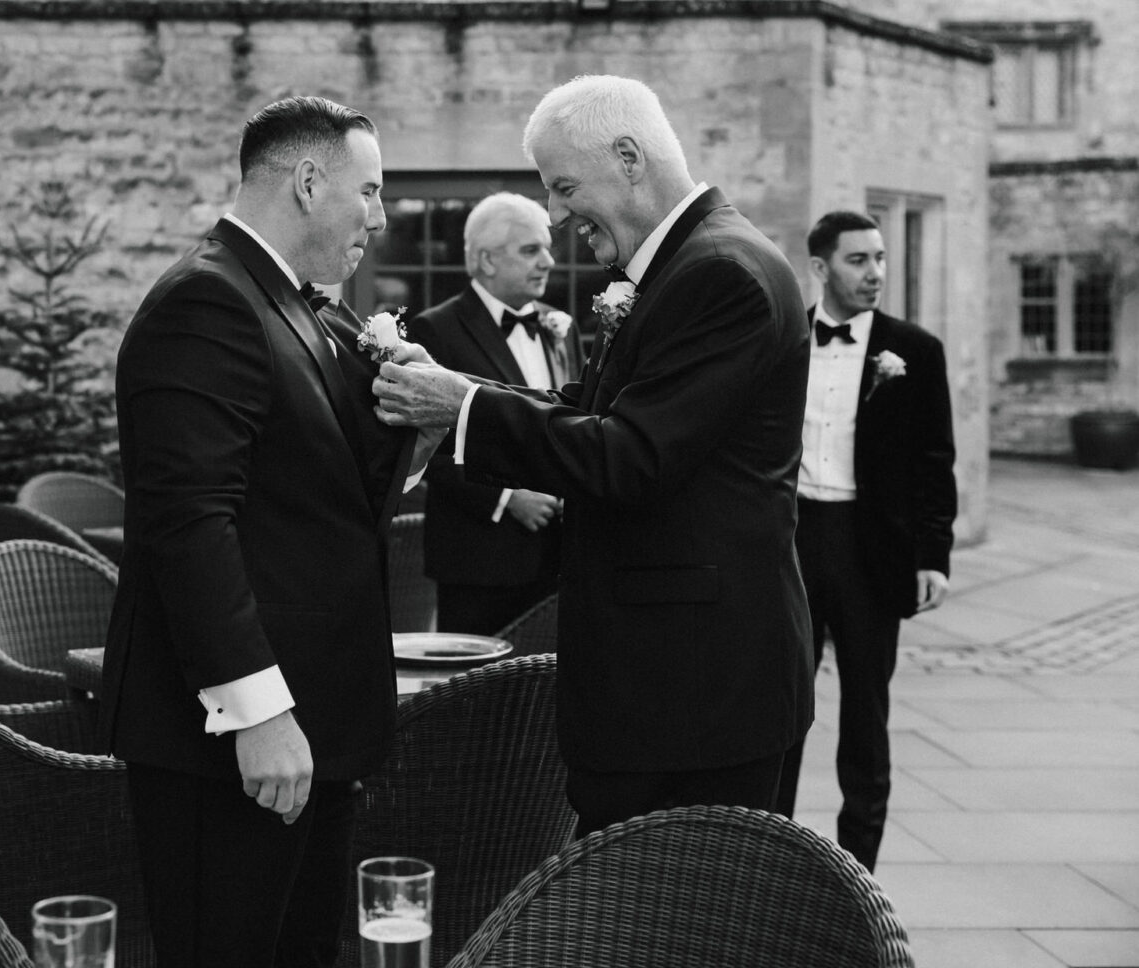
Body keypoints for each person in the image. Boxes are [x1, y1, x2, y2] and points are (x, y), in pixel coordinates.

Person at [372, 74, 815, 836]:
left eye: (565, 185)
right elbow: (597, 412)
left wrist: (463, 407)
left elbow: (630, 456)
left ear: (629, 157)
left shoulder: (720, 274)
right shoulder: (692, 262)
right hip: (673, 686)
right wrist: (454, 387)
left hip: (694, 693)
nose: (555, 212)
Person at [98, 95, 442, 967]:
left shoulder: (293, 304)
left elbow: (324, 497)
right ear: (307, 178)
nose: (377, 216)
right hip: (231, 740)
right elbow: (188, 524)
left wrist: (423, 429)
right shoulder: (206, 301)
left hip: (313, 721)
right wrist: (256, 714)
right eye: (367, 192)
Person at [775, 210, 957, 872]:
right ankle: (769, 861)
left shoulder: (916, 351)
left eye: (880, 258)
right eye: (859, 260)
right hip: (789, 541)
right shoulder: (779, 338)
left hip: (868, 545)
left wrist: (933, 555)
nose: (876, 272)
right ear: (821, 268)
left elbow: (935, 461)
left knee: (866, 716)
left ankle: (860, 875)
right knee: (782, 709)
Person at [408, 193, 584, 636]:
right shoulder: (436, 330)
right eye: (530, 250)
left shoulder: (561, 327)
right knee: (474, 695)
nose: (548, 261)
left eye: (547, 248)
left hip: (562, 555)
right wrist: (508, 499)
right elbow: (424, 449)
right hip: (479, 559)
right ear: (486, 260)